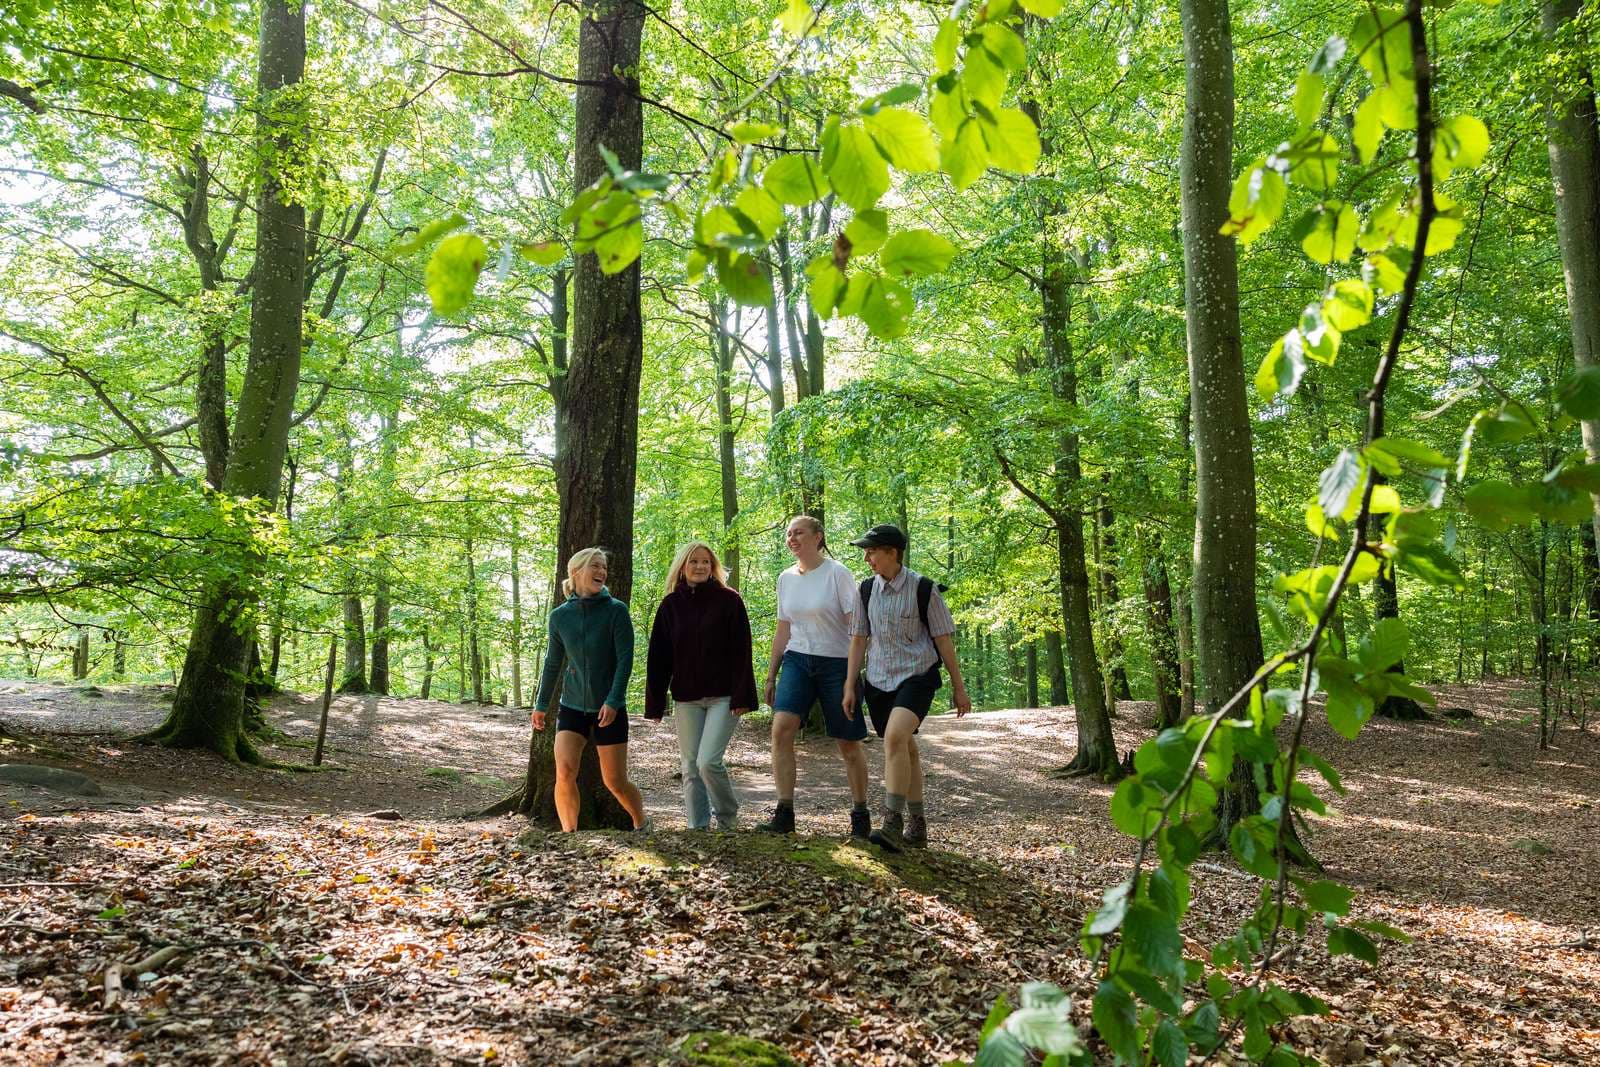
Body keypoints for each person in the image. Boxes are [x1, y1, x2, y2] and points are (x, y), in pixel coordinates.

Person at [842, 523, 971, 852]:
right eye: (866, 552)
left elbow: (943, 639)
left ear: (892, 553)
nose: (868, 557)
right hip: (879, 680)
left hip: (918, 675)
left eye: (872, 551)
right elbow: (859, 638)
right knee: (906, 749)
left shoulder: (923, 589)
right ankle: (918, 824)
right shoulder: (866, 590)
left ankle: (892, 822)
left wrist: (959, 687)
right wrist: (850, 683)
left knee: (896, 738)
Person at [758, 514, 873, 838]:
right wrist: (771, 675)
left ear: (818, 537)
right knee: (781, 730)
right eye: (788, 534)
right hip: (797, 659)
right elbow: (783, 628)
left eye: (799, 533)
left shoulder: (837, 573)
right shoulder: (785, 578)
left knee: (847, 742)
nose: (792, 538)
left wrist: (852, 679)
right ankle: (784, 813)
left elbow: (857, 629)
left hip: (836, 663)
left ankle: (860, 816)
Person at [531, 547, 649, 833]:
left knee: (615, 781)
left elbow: (625, 660)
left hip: (609, 708)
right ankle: (569, 835)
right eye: (595, 566)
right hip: (572, 706)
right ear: (576, 571)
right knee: (565, 771)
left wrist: (614, 700)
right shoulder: (560, 617)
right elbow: (552, 663)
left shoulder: (616, 611)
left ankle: (642, 824)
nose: (601, 572)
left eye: (604, 567)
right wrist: (541, 704)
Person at [644, 541, 758, 830]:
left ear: (713, 567)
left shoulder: (730, 600)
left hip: (723, 696)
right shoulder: (670, 605)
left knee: (708, 762)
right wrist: (655, 703)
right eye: (693, 561)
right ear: (682, 567)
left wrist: (743, 695)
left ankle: (728, 819)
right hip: (687, 698)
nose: (699, 566)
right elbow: (659, 657)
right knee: (690, 766)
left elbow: (742, 652)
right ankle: (697, 827)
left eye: (705, 562)